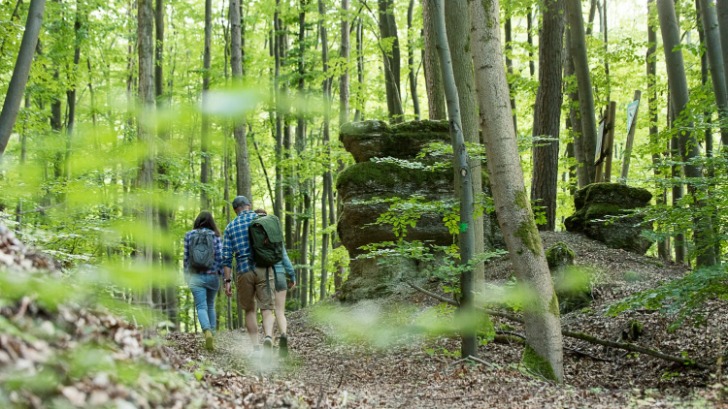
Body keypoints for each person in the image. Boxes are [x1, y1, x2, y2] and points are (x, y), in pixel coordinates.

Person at [222, 195, 277, 351]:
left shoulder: (230, 227)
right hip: (264, 268)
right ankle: (267, 337)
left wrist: (227, 281)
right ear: (249, 205)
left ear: (235, 210)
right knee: (267, 308)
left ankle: (256, 347)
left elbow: (226, 257)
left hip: (244, 271)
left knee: (249, 310)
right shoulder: (262, 220)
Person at [254, 208, 296, 356]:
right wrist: (292, 276)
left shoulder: (254, 235)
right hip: (279, 275)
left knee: (267, 311)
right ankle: (283, 335)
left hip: (265, 276)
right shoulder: (276, 235)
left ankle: (268, 338)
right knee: (280, 312)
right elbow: (284, 258)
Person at [183, 211, 223, 351]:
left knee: (201, 306)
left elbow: (186, 258)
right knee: (210, 305)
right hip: (212, 276)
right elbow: (220, 257)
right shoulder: (216, 236)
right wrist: (222, 275)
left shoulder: (189, 235)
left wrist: (186, 276)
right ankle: (211, 333)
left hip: (195, 276)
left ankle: (206, 332)